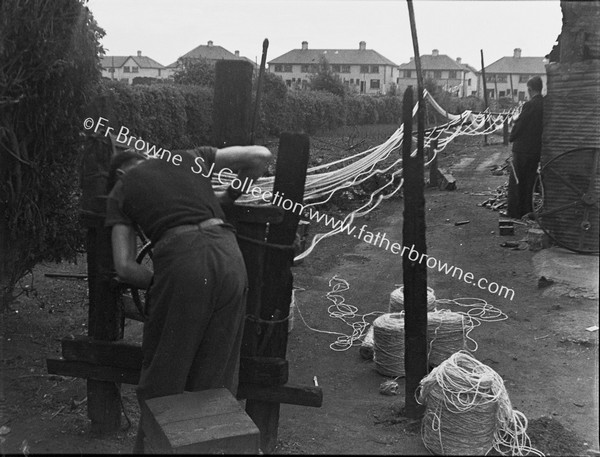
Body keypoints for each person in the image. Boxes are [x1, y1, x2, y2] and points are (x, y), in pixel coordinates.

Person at [104, 144, 272, 453]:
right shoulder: (186, 157)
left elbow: (125, 267)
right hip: (230, 255)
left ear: (120, 171)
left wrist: (161, 282)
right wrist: (226, 198)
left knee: (162, 385)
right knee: (215, 384)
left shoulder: (122, 186)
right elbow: (260, 156)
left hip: (183, 260)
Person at [505, 76, 544, 219]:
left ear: (529, 89)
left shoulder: (530, 105)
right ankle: (526, 211)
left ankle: (514, 212)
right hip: (536, 150)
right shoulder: (544, 104)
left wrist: (512, 136)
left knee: (516, 181)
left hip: (522, 150)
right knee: (529, 182)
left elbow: (520, 124)